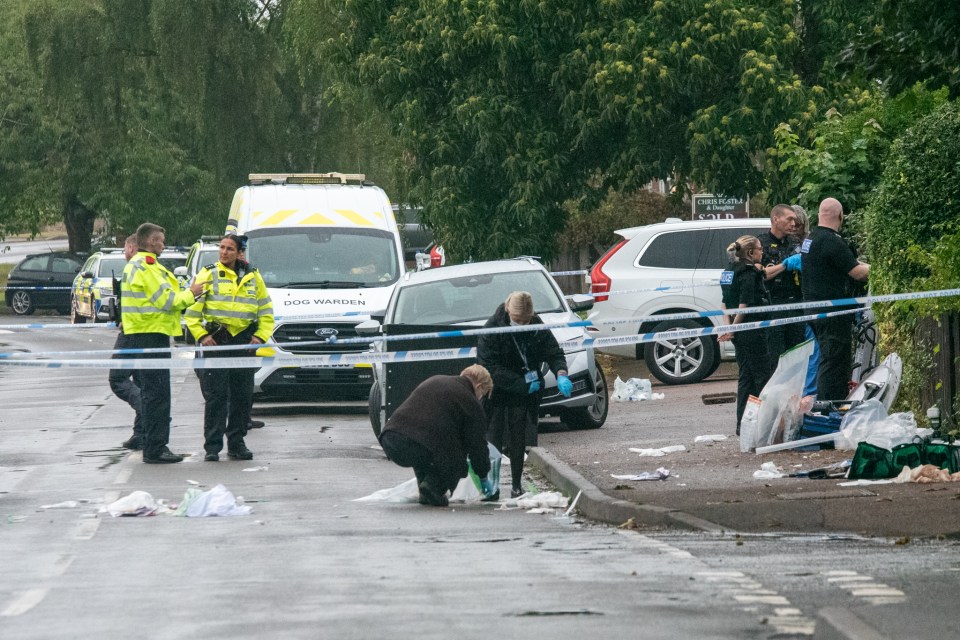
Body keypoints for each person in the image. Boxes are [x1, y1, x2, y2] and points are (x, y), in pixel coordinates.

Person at [185, 234, 274, 461]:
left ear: (239, 252)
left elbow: (265, 310)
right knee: (216, 396)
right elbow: (193, 311)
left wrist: (260, 336)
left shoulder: (253, 276)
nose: (224, 252)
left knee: (242, 395)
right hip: (217, 340)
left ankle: (237, 443)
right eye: (222, 248)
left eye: (230, 249)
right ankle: (212, 447)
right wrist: (202, 335)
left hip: (243, 341)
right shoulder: (209, 273)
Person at [121, 223, 205, 464]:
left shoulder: (139, 265)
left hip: (144, 334)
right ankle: (155, 448)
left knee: (152, 393)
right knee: (157, 395)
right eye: (160, 240)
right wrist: (193, 292)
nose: (163, 244)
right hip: (151, 334)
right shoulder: (147, 268)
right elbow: (168, 301)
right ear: (149, 242)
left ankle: (153, 444)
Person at [477, 291, 571, 498]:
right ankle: (490, 486)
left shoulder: (536, 326)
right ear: (509, 311)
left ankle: (516, 485)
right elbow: (489, 366)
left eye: (526, 320)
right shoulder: (492, 329)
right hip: (498, 389)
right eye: (518, 320)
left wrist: (561, 373)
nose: (522, 324)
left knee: (518, 437)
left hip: (525, 390)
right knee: (493, 438)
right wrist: (520, 384)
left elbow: (554, 352)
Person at [378, 365, 494, 507]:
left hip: (390, 439)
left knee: (430, 447)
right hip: (415, 443)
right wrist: (483, 475)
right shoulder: (470, 401)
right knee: (456, 457)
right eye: (483, 393)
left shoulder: (436, 379)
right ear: (479, 386)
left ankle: (424, 489)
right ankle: (433, 487)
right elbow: (477, 445)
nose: (481, 398)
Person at [801, 198, 870, 401]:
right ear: (840, 216)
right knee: (834, 362)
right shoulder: (832, 241)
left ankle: (830, 404)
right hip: (833, 314)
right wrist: (881, 270)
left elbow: (845, 262)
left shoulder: (811, 239)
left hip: (814, 311)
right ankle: (830, 407)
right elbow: (857, 272)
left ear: (820, 214)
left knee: (828, 358)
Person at [718, 236, 772, 434]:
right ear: (750, 253)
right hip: (751, 330)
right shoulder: (749, 273)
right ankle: (761, 424)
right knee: (761, 376)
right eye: (759, 249)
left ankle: (742, 425)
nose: (762, 252)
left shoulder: (727, 271)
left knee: (745, 377)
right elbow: (744, 304)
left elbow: (724, 302)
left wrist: (728, 327)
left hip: (739, 333)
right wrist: (733, 328)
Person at [758, 204, 805, 370]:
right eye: (789, 219)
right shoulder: (760, 244)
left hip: (796, 304)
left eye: (795, 219)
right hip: (773, 306)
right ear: (775, 219)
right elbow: (761, 275)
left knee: (798, 358)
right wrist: (785, 265)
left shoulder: (795, 242)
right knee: (776, 360)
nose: (794, 223)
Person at [113, 235, 145, 450]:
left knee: (117, 378)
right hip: (143, 331)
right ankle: (140, 433)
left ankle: (146, 408)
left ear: (132, 247)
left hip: (132, 331)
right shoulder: (146, 266)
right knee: (141, 379)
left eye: (125, 248)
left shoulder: (133, 267)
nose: (124, 252)